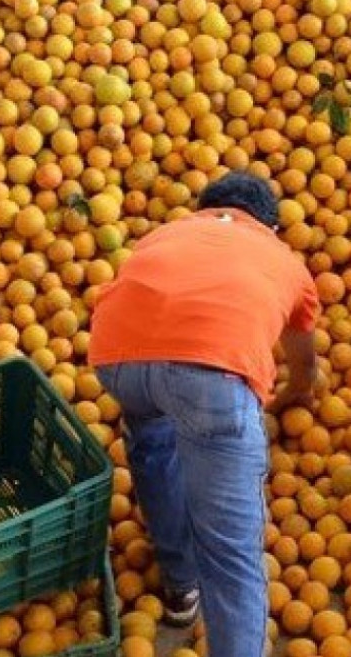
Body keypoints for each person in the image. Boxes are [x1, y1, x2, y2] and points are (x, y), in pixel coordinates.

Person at [88, 170, 321, 657]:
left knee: (152, 443)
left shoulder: (166, 233)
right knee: (232, 556)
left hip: (116, 360)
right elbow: (303, 366)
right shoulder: (285, 262)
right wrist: (289, 398)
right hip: (212, 378)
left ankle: (180, 587)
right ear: (271, 227)